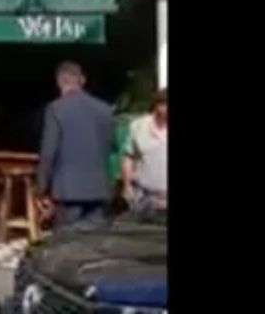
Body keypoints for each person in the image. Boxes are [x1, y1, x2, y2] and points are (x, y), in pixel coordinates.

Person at [36, 61, 115, 227]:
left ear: (59, 82)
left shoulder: (56, 109)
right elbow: (110, 145)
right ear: (82, 80)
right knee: (95, 244)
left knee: (68, 245)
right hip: (98, 188)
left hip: (68, 191)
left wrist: (41, 187)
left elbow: (49, 151)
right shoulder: (104, 110)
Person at [121, 88, 168, 210]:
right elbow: (128, 157)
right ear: (158, 105)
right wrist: (127, 186)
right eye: (164, 105)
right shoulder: (138, 126)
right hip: (145, 198)